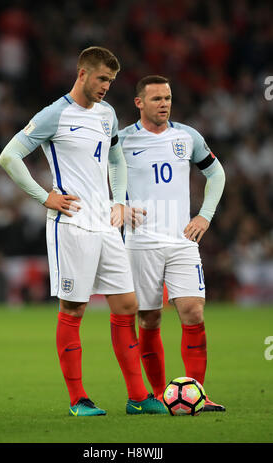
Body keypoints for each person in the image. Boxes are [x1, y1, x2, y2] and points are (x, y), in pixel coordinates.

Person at [0, 48, 167, 416]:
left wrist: (119, 202)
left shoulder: (106, 115)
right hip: (71, 224)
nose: (107, 87)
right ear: (82, 74)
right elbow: (9, 156)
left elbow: (116, 159)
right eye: (102, 79)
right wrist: (44, 197)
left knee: (127, 305)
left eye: (111, 80)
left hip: (106, 222)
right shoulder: (54, 114)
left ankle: (138, 398)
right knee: (74, 308)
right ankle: (78, 400)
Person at [119, 75, 226, 412]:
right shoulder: (120, 141)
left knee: (193, 312)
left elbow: (217, 174)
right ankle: (158, 394)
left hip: (182, 240)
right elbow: (99, 180)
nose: (164, 104)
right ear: (139, 103)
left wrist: (204, 216)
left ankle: (198, 392)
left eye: (167, 98)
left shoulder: (187, 136)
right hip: (141, 243)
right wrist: (116, 207)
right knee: (149, 319)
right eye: (156, 99)